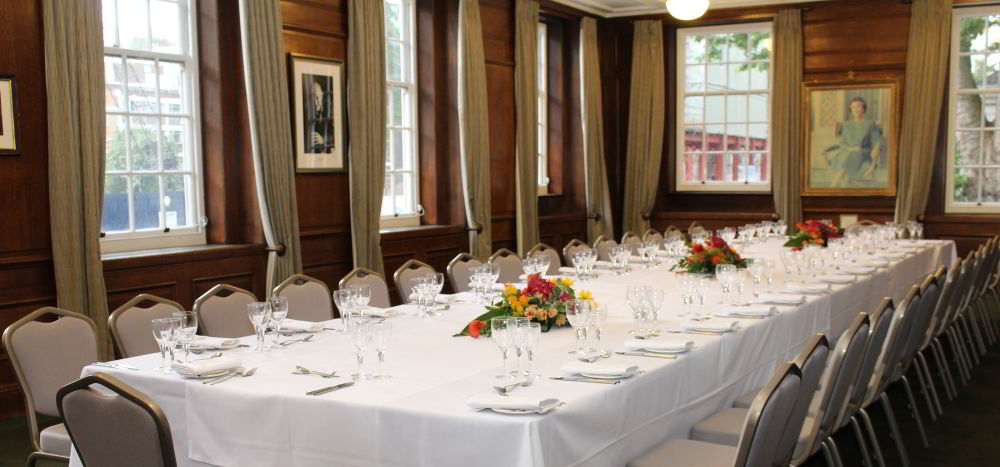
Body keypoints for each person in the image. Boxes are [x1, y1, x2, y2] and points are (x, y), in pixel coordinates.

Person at [822, 96, 883, 187]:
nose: (856, 109)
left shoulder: (870, 124)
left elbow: (877, 140)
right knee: (849, 156)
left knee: (851, 156)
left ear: (863, 108)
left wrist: (876, 148)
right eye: (853, 107)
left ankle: (833, 186)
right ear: (850, 110)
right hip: (847, 152)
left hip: (863, 153)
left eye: (859, 106)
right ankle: (841, 186)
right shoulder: (847, 125)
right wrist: (851, 148)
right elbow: (842, 143)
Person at [305, 77, 334, 154]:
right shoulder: (309, 109)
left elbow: (338, 135)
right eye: (312, 99)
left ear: (322, 96)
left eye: (317, 98)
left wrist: (323, 139)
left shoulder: (330, 109)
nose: (315, 103)